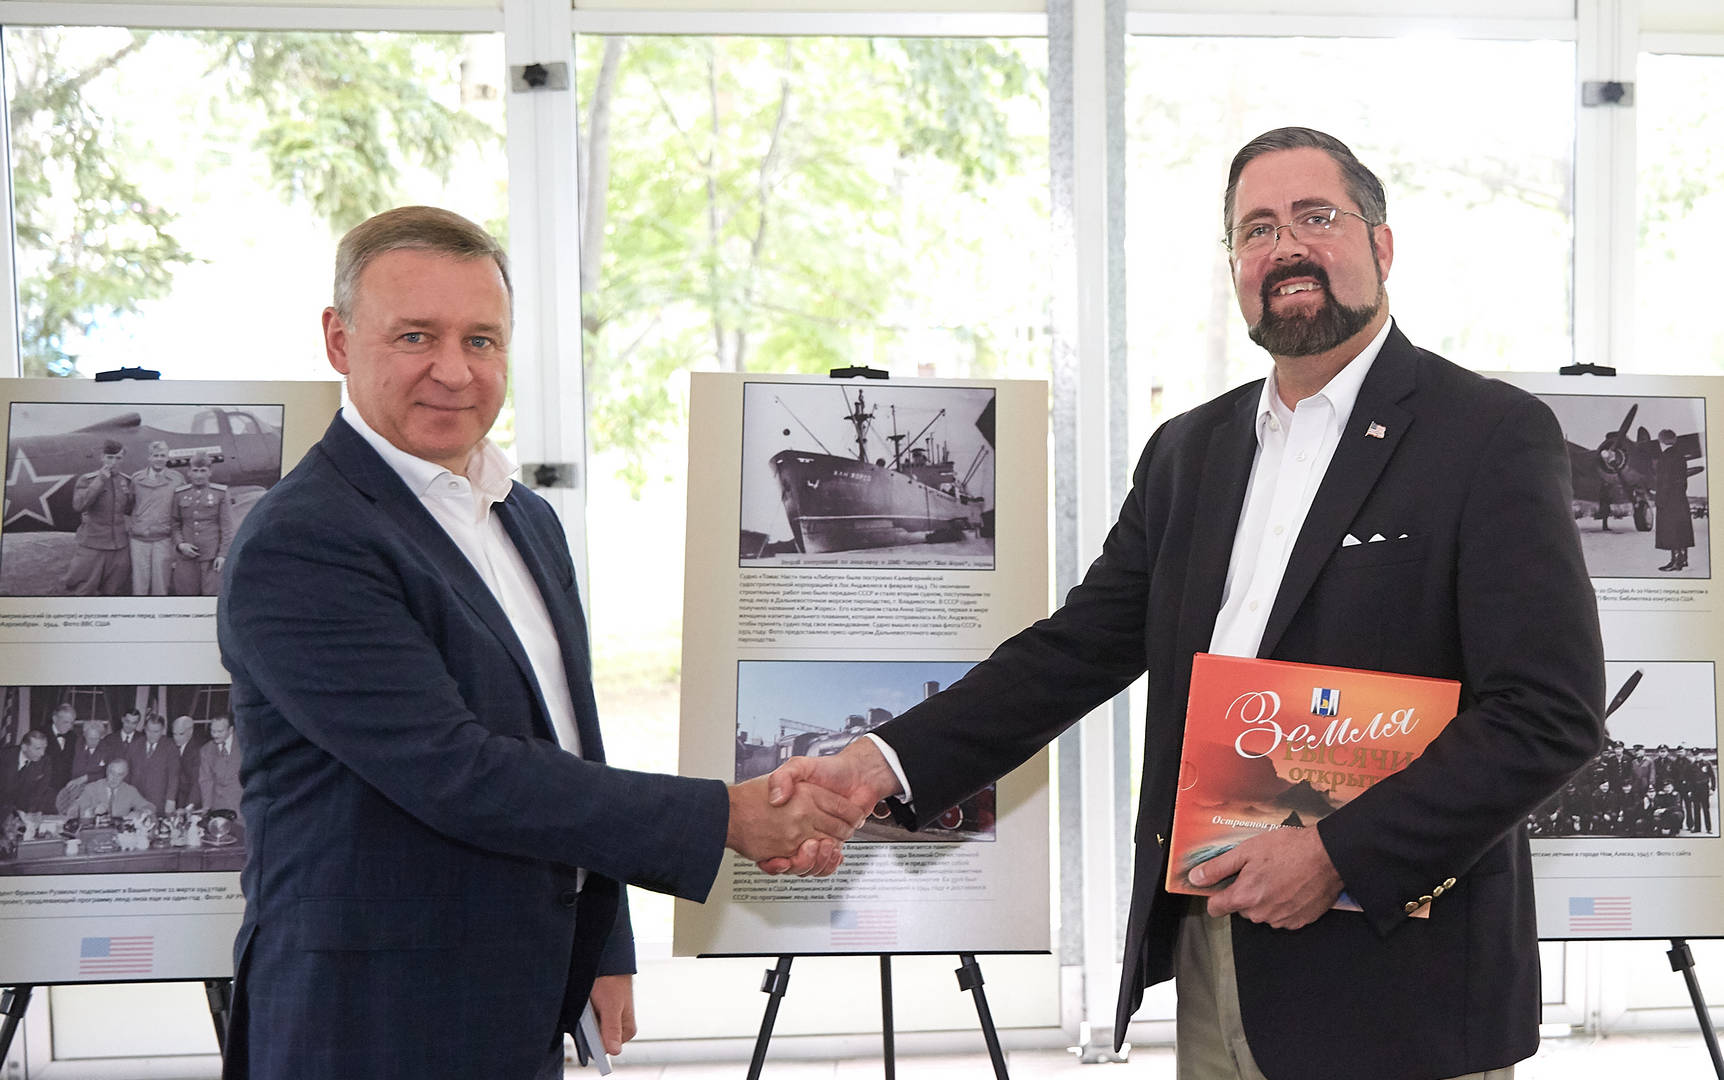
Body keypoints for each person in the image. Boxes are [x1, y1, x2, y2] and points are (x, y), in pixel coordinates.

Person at [768, 128, 1605, 1080]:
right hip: (1216, 943)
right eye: (1256, 230)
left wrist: (1337, 854)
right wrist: (878, 762)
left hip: (1400, 970)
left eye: (1316, 217)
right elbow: (1075, 649)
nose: (1285, 247)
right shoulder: (1188, 452)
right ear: (1236, 266)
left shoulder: (1488, 434)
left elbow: (1549, 713)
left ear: (1381, 245)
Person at [215, 206, 867, 1080]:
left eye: (481, 340)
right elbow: (455, 769)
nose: (454, 371)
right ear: (339, 340)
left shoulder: (526, 518)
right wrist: (727, 817)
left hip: (516, 992)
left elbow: (567, 738)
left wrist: (605, 941)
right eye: (416, 336)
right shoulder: (304, 541)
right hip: (366, 1017)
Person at [65, 439, 134, 596]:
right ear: (102, 457)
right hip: (93, 545)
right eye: (110, 457)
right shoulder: (88, 479)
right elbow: (79, 505)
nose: (113, 462)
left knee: (114, 591)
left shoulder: (126, 481)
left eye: (118, 458)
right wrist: (100, 480)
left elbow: (130, 509)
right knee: (84, 590)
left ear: (122, 459)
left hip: (119, 547)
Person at [170, 453, 236, 596]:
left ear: (210, 472)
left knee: (212, 597)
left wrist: (223, 555)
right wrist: (180, 545)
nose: (199, 475)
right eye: (195, 470)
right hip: (186, 559)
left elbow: (227, 528)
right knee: (186, 597)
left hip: (212, 558)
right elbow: (175, 524)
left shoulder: (220, 493)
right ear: (189, 472)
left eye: (203, 470)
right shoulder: (180, 494)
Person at [129, 440, 184, 595]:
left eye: (162, 455)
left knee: (161, 584)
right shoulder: (136, 479)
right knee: (139, 585)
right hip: (139, 538)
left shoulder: (177, 479)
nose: (159, 459)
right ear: (149, 457)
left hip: (163, 538)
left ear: (167, 457)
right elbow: (129, 504)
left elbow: (181, 506)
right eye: (156, 455)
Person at [1653, 428, 1698, 572]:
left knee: (1672, 530)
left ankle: (1675, 562)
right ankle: (1683, 559)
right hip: (1680, 498)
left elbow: (1665, 480)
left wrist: (1660, 499)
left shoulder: (1665, 457)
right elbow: (1683, 481)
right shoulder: (1680, 456)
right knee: (1681, 529)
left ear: (1661, 441)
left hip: (1668, 500)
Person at [129, 714, 182, 814]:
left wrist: (171, 799)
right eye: (149, 730)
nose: (151, 735)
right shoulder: (135, 745)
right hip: (137, 800)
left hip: (160, 801)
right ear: (144, 729)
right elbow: (129, 773)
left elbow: (174, 776)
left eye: (156, 732)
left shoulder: (171, 747)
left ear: (162, 730)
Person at [69, 758, 154, 820]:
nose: (114, 778)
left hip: (119, 834)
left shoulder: (130, 791)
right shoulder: (92, 788)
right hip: (93, 833)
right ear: (107, 772)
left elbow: (150, 807)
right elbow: (73, 810)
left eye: (119, 775)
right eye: (112, 773)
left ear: (125, 775)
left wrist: (140, 813)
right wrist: (92, 811)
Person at [195, 714, 242, 818]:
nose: (215, 735)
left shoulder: (245, 745)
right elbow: (206, 780)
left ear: (230, 730)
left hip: (242, 806)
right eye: (213, 731)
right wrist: (207, 807)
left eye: (220, 731)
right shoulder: (206, 750)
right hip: (218, 808)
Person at [1, 729, 57, 814]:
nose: (42, 753)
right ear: (24, 747)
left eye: (44, 748)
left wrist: (32, 812)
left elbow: (40, 791)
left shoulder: (45, 761)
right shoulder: (4, 756)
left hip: (23, 810)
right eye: (38, 749)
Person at [169, 714, 203, 810]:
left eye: (181, 734)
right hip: (174, 800)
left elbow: (197, 781)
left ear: (190, 731)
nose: (176, 738)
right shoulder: (171, 745)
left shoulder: (197, 751)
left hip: (189, 801)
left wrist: (190, 805)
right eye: (174, 734)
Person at [42, 704, 79, 789]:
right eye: (66, 722)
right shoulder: (40, 734)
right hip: (43, 787)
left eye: (72, 723)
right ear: (55, 719)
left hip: (65, 788)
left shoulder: (74, 737)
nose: (69, 726)